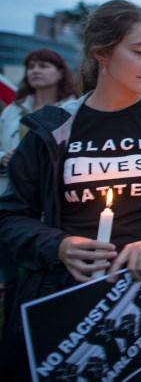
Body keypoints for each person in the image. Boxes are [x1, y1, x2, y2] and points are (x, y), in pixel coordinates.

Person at [0, 0, 141, 381]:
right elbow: (11, 216)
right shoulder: (52, 130)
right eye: (140, 51)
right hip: (64, 293)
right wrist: (59, 245)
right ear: (101, 54)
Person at [0, 48, 77, 332]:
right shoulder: (12, 109)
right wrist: (3, 158)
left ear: (60, 72)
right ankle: (15, 333)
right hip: (13, 200)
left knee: (49, 274)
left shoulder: (72, 110)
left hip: (54, 204)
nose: (35, 70)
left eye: (43, 65)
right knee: (13, 274)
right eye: (31, 65)